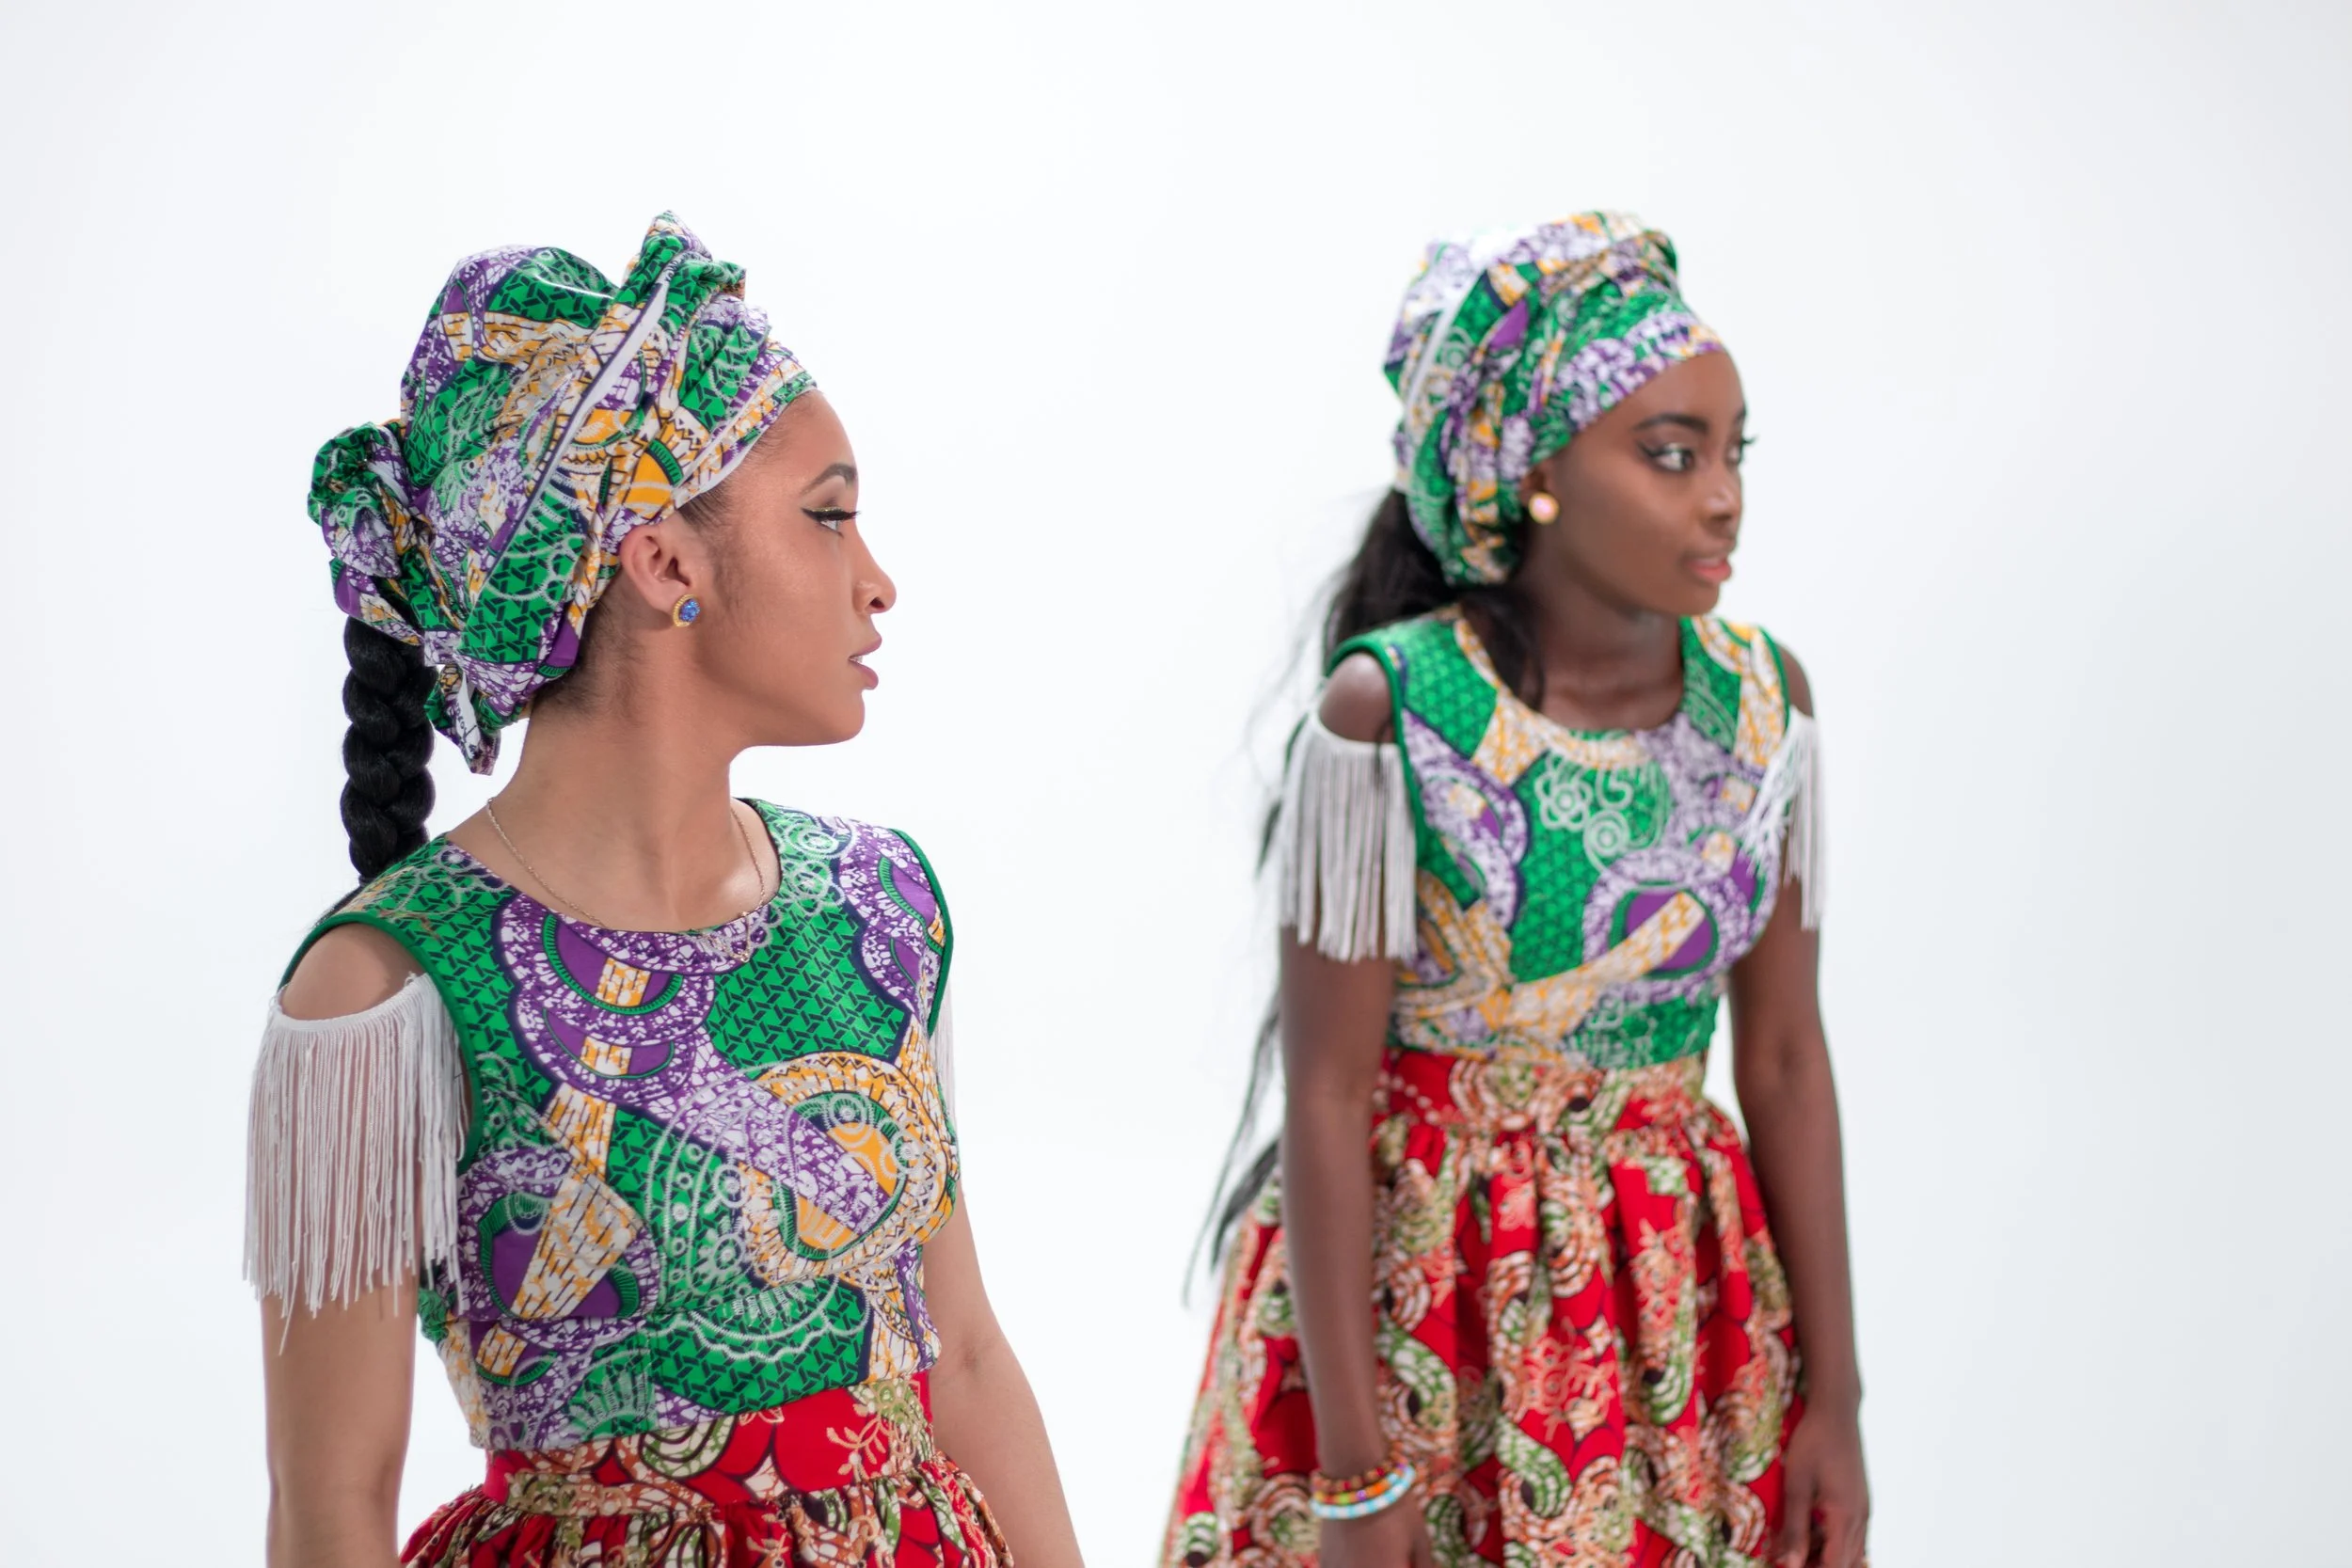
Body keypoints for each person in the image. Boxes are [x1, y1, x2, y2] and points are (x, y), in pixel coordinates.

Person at [247, 214, 1084, 1568]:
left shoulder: (878, 903)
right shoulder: (381, 988)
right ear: (664, 561)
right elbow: (328, 1505)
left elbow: (968, 1357)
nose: (877, 580)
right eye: (828, 517)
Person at [1165, 214, 1867, 1568]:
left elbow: (1780, 1055)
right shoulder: (1394, 714)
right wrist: (1360, 1474)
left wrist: (1835, 1394)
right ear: (1533, 472)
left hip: (1680, 1322)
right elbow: (1325, 1089)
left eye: (1733, 452)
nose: (1722, 495)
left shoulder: (1767, 708)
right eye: (1671, 454)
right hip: (1420, 1306)